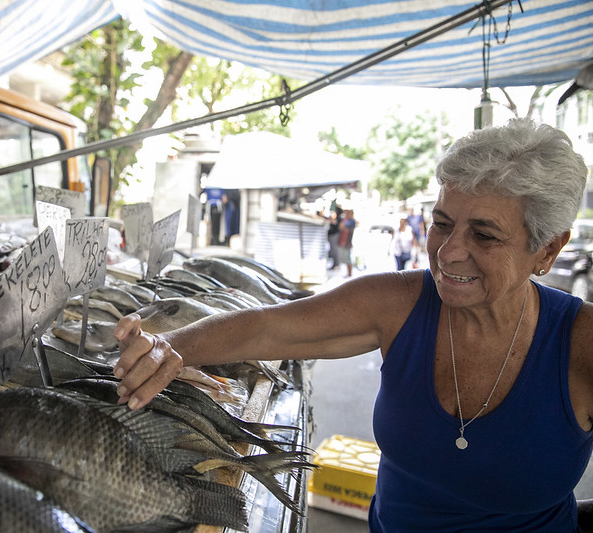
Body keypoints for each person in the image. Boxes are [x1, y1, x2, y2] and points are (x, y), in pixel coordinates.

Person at [113, 118, 593, 531]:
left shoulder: (581, 344)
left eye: (484, 234)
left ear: (547, 250)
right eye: (442, 223)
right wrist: (167, 346)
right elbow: (268, 328)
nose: (449, 252)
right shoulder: (400, 303)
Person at [337, 207, 356, 277]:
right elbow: (341, 227)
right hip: (344, 242)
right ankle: (348, 273)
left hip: (347, 242)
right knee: (345, 258)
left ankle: (349, 273)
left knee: (348, 258)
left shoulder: (351, 221)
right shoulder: (347, 220)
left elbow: (342, 227)